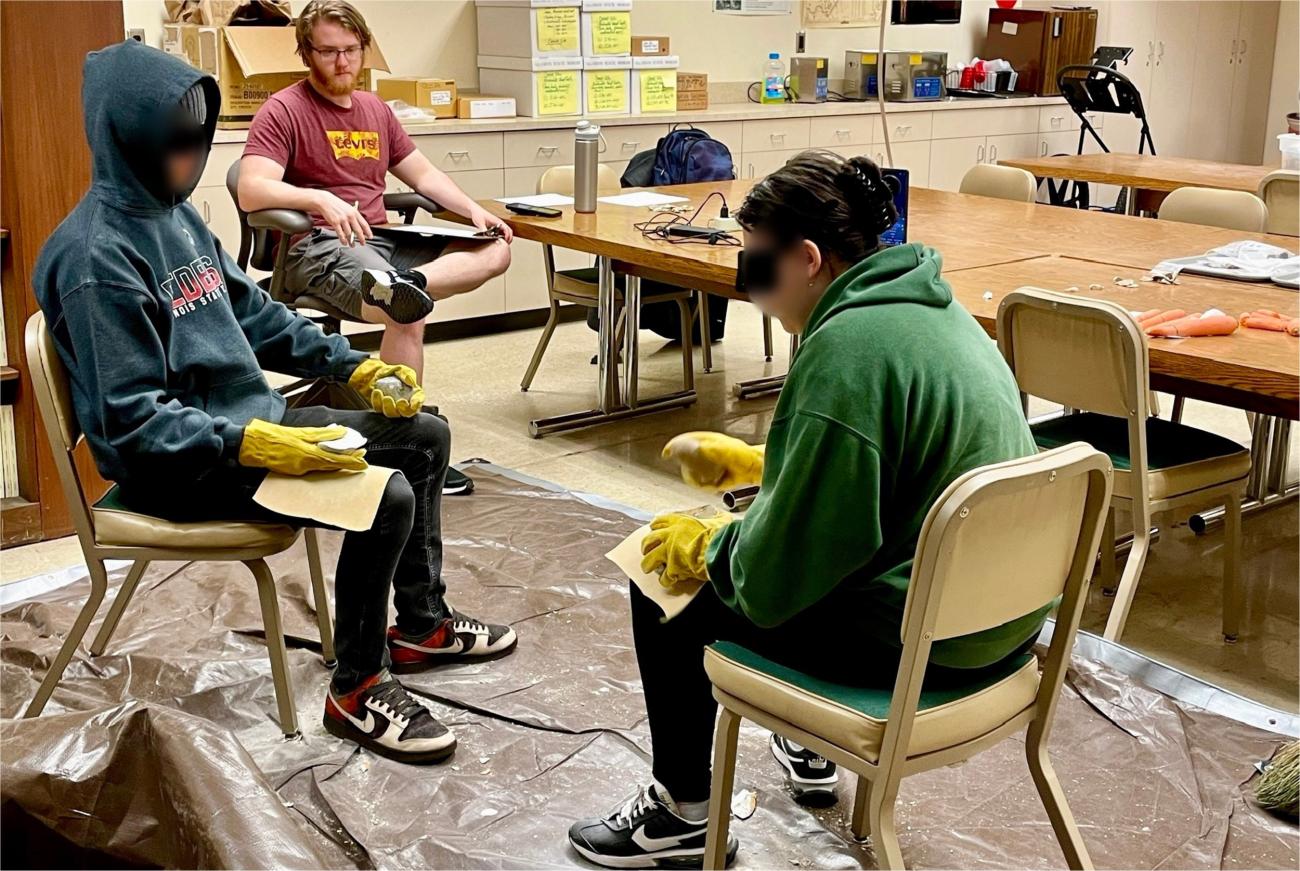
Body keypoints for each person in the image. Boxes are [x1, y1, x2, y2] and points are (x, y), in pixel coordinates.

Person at [33, 40, 516, 766]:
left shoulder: (176, 218)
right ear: (127, 139)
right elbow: (133, 426)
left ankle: (420, 625)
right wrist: (255, 445)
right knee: (385, 496)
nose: (191, 158)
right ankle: (356, 688)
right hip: (182, 467)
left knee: (423, 435)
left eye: (198, 140)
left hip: (246, 426)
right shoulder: (95, 259)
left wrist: (354, 368)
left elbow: (254, 315)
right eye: (175, 143)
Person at [567, 151, 1045, 868]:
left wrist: (710, 548)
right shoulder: (935, 310)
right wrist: (766, 463)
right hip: (1004, 622)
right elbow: (890, 468)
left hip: (925, 642)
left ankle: (682, 812)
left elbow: (779, 573)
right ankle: (805, 745)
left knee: (659, 574)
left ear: (810, 259)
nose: (751, 288)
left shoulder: (846, 348)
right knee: (748, 543)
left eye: (757, 266)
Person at [238, 0, 511, 495]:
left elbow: (423, 174)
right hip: (318, 244)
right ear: (306, 53)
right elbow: (251, 190)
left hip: (382, 240)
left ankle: (409, 285)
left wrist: (474, 211)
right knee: (405, 313)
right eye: (328, 52)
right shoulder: (284, 110)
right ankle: (406, 445)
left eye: (351, 50)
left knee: (495, 250)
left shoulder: (375, 110)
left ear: (364, 49)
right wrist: (319, 198)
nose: (342, 62)